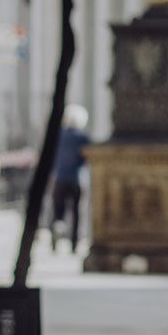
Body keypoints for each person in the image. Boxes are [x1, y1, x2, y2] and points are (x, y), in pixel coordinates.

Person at [47, 103, 92, 251]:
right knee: (76, 211)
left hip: (59, 177)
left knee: (58, 210)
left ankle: (57, 228)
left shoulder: (58, 135)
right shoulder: (83, 138)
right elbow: (87, 158)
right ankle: (74, 243)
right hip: (76, 179)